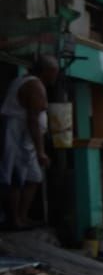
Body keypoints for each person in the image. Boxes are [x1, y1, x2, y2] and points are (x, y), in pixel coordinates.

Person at [0, 55, 57, 230]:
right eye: (54, 73)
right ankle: (14, 219)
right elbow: (32, 120)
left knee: (33, 178)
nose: (55, 77)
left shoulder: (28, 81)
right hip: (17, 137)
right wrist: (41, 151)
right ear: (46, 71)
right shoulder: (34, 85)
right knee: (16, 178)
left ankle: (22, 216)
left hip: (26, 140)